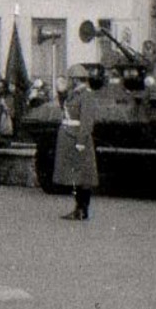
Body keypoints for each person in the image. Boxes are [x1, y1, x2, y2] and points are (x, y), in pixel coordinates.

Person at [54, 63, 101, 221]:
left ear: (75, 80)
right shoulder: (73, 94)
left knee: (83, 177)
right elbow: (64, 108)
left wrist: (81, 141)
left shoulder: (86, 95)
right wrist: (60, 93)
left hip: (78, 140)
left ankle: (82, 209)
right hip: (69, 137)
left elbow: (86, 121)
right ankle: (78, 207)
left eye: (71, 79)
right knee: (74, 176)